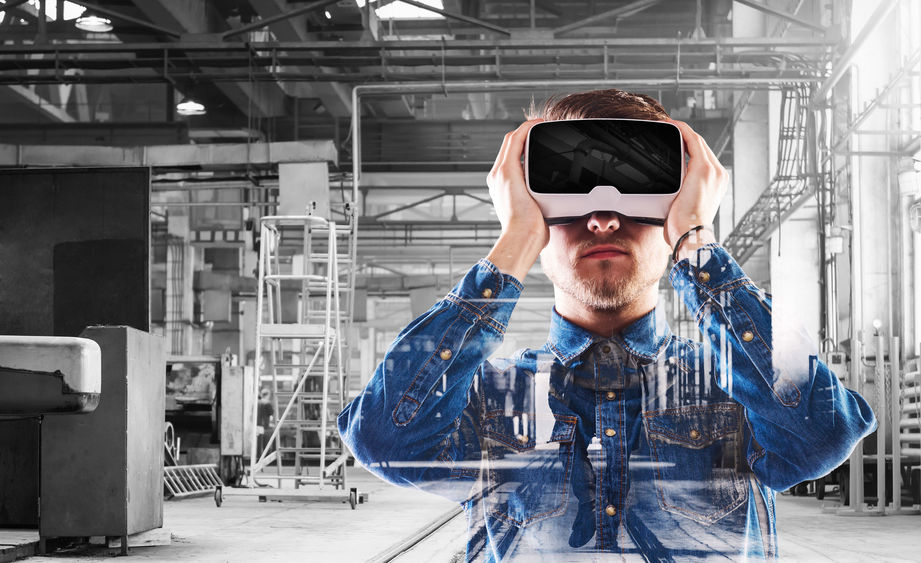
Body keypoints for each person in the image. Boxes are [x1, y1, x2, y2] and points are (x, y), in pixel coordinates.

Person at [338, 89, 876, 561]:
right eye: (571, 191)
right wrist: (513, 242)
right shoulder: (486, 395)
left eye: (632, 185)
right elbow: (383, 437)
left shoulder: (734, 391)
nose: (602, 216)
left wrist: (695, 240)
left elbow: (822, 434)